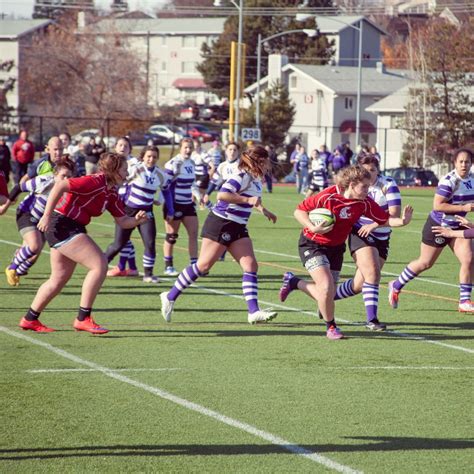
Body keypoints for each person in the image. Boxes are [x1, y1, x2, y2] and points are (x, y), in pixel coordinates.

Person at [18, 152, 148, 333]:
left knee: (58, 279)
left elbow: (123, 221)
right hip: (61, 225)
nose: (127, 174)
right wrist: (46, 215)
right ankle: (83, 318)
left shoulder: (110, 191)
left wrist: (137, 221)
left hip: (70, 227)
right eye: (125, 170)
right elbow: (60, 186)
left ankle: (30, 319)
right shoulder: (95, 181)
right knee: (100, 265)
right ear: (114, 170)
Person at [160, 145, 278, 324]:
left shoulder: (255, 178)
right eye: (267, 160)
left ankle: (253, 311)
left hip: (237, 226)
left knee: (250, 265)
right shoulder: (242, 175)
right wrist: (248, 200)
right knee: (203, 266)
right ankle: (169, 296)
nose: (269, 163)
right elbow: (222, 195)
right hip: (221, 223)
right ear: (260, 161)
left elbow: (253, 199)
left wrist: (264, 210)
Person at [278, 165, 389, 340]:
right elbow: (299, 211)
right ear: (352, 185)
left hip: (336, 249)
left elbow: (384, 218)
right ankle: (331, 327)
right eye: (364, 187)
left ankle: (294, 282)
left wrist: (402, 220)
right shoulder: (328, 195)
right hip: (312, 244)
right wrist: (313, 227)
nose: (368, 190)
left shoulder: (364, 202)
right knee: (326, 287)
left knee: (326, 293)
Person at [320, 154, 413, 331]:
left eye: (372, 170)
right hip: (359, 232)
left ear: (378, 170)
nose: (369, 174)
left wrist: (400, 221)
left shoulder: (388, 185)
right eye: (365, 170)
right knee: (373, 274)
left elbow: (392, 214)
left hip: (382, 236)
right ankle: (372, 320)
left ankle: (325, 301)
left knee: (359, 285)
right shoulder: (356, 185)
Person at [388, 148, 474, 313]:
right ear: (455, 163)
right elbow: (438, 205)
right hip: (439, 225)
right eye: (461, 161)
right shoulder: (449, 181)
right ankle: (396, 285)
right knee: (425, 263)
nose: (464, 164)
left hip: (459, 223)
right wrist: (464, 207)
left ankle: (464, 301)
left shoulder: (472, 179)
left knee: (469, 259)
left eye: (467, 161)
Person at [1, 157, 76, 286]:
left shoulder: (69, 187)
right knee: (34, 246)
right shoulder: (44, 181)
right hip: (27, 213)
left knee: (35, 253)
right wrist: (5, 206)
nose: (66, 179)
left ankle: (18, 270)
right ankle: (11, 268)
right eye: (63, 175)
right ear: (55, 174)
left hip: (44, 220)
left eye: (69, 176)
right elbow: (18, 187)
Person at [104, 146, 173, 283]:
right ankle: (99, 265)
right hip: (129, 211)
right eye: (148, 156)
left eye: (154, 156)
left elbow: (166, 190)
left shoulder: (160, 174)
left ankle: (148, 275)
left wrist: (168, 207)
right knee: (118, 244)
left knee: (150, 243)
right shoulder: (135, 168)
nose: (151, 159)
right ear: (143, 157)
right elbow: (120, 180)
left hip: (146, 213)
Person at [162, 138, 198, 276]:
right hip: (174, 204)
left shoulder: (192, 163)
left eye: (190, 147)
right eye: (185, 147)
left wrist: (201, 198)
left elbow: (192, 185)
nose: (188, 150)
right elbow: (166, 186)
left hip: (188, 204)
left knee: (193, 234)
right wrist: (170, 208)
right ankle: (168, 266)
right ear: (180, 148)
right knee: (172, 236)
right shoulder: (173, 163)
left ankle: (194, 266)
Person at [106, 136, 140, 277]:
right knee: (124, 238)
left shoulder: (133, 163)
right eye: (120, 145)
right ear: (115, 147)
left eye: (125, 146)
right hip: (116, 201)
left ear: (130, 149)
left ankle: (118, 266)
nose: (122, 148)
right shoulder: (111, 162)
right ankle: (131, 267)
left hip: (129, 203)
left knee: (121, 239)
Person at [191, 139, 212, 210]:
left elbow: (212, 166)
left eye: (197, 146)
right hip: (195, 175)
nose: (195, 148)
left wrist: (211, 175)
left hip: (203, 176)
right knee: (194, 192)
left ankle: (208, 206)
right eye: (194, 146)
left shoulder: (203, 154)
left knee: (197, 190)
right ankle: (193, 206)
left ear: (200, 146)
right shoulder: (192, 154)